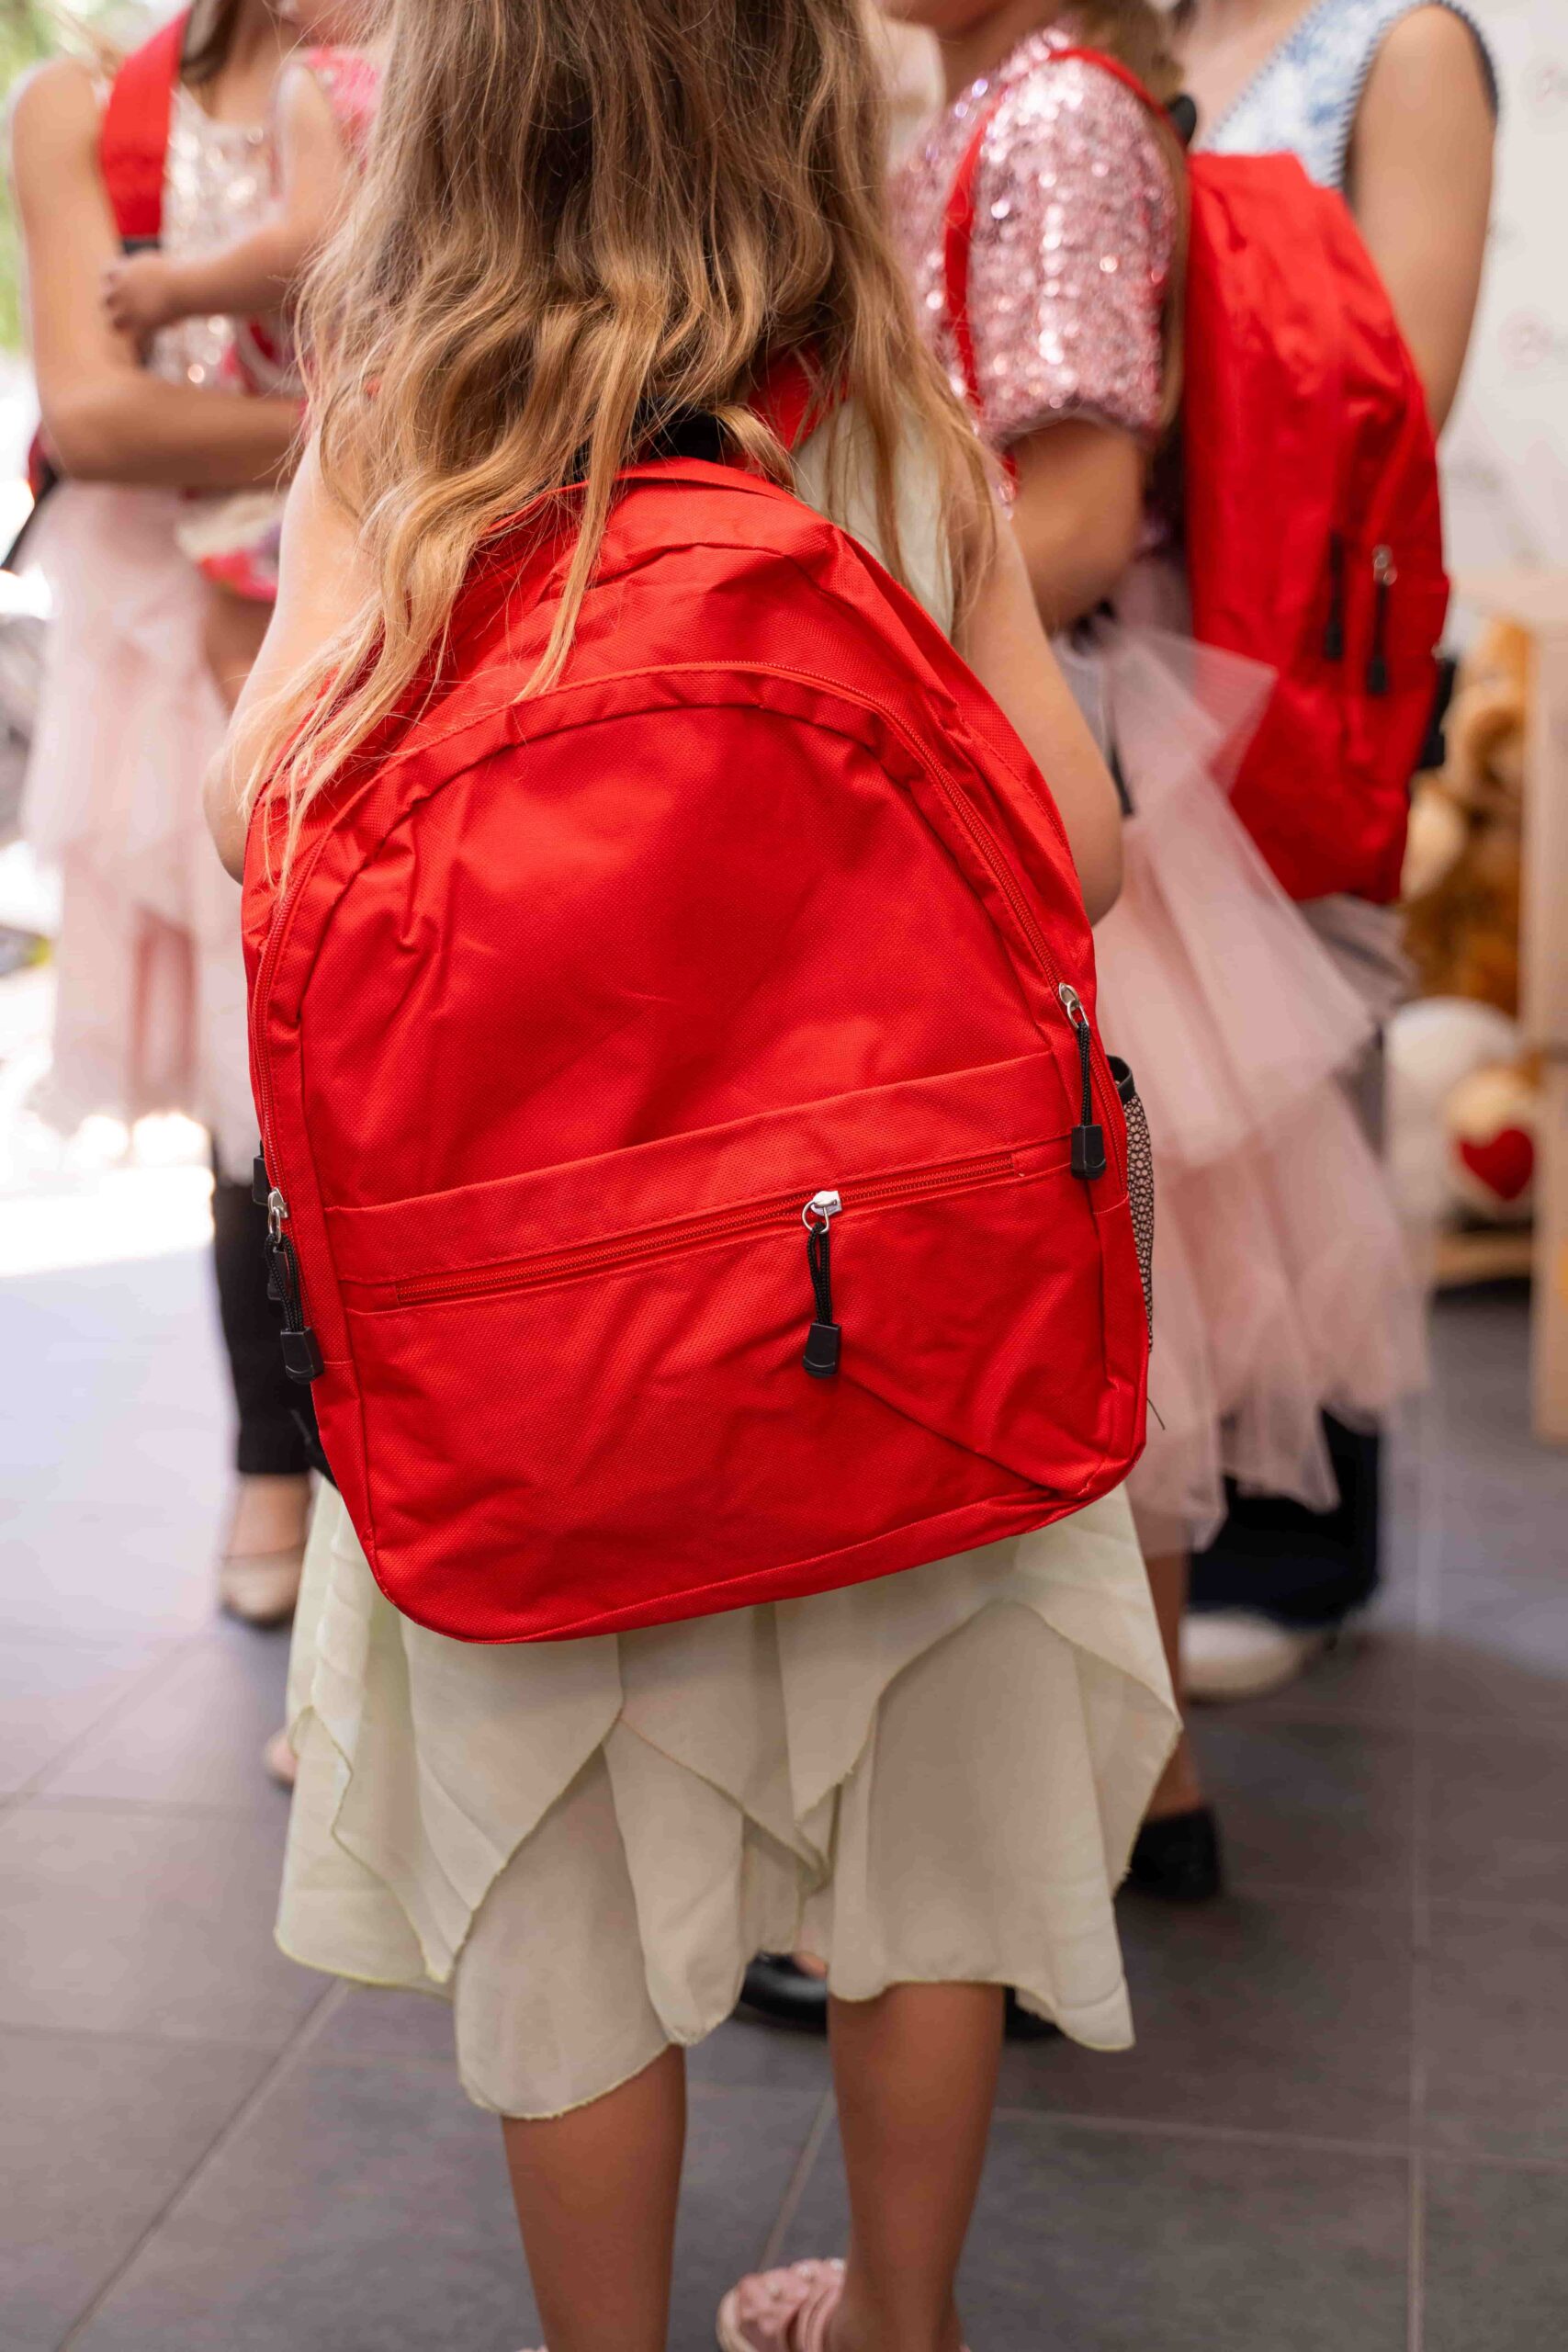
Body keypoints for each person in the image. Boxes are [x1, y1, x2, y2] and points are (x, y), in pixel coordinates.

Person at [209, 4, 1179, 2346]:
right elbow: (1072, 853)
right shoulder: (888, 425)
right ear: (798, 120)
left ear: (450, 132)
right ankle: (902, 2314)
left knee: (568, 1907)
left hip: (531, 1347)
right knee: (927, 1856)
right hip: (891, 1320)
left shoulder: (402, 437)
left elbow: (263, 828)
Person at [885, 0, 1426, 1896]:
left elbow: (1079, 517)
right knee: (1129, 1276)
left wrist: (830, 602)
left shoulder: (1051, 118)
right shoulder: (1020, 104)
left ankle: (1108, 1802)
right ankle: (1142, 1788)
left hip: (1052, 736)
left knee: (1106, 1280)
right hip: (1051, 721)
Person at [1175, 0, 1497, 1702]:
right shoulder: (1125, 34)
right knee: (1171, 1090)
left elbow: (1402, 388)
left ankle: (1293, 1541)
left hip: (1302, 639)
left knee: (1295, 1081)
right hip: (1141, 606)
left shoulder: (1399, 43)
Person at [11, 0, 316, 1629]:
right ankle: (274, 1453)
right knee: (235, 1061)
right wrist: (384, 435)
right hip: (175, 642)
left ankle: (395, 1453)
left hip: (386, 605)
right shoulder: (86, 104)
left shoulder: (420, 68)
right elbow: (102, 414)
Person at [101, 1, 382, 675]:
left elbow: (304, 245)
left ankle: (280, 748)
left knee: (238, 640)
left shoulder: (322, 79)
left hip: (332, 402)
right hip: (415, 387)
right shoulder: (448, 75)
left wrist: (177, 289)